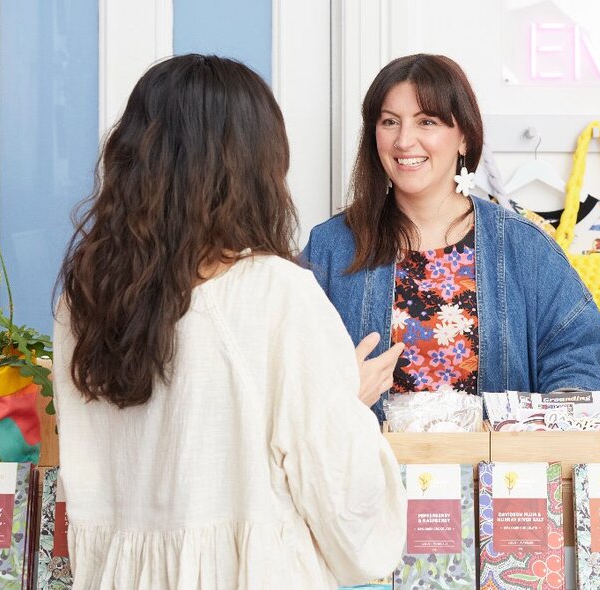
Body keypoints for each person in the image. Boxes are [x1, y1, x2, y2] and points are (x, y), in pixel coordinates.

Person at [54, 54, 406, 588]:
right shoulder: (275, 292)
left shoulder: (85, 302)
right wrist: (346, 401)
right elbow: (348, 513)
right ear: (253, 167)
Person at [302, 54, 600, 421]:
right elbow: (284, 377)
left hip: (497, 477)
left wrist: (544, 427)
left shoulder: (523, 247)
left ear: (464, 136)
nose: (404, 140)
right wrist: (337, 393)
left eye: (426, 121)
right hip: (370, 476)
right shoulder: (331, 247)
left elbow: (578, 359)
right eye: (390, 122)